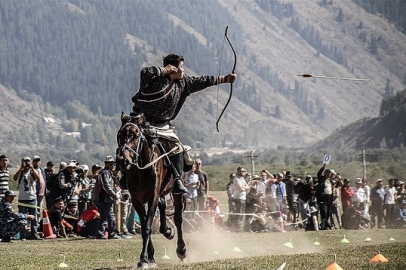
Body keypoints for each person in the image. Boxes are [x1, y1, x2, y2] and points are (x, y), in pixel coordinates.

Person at [130, 53, 236, 194]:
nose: (183, 70)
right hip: (142, 121)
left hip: (164, 124)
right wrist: (166, 70)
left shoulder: (184, 82)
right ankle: (125, 176)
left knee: (177, 148)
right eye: (181, 67)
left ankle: (178, 180)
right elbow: (145, 72)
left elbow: (203, 81)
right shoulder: (153, 79)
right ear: (172, 68)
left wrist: (225, 79)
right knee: (128, 142)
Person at [13, 156, 42, 240]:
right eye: (25, 161)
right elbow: (15, 178)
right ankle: (23, 235)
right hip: (22, 198)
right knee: (22, 218)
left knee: (34, 218)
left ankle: (34, 234)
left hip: (32, 198)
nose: (26, 163)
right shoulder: (21, 172)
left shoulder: (33, 172)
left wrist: (32, 168)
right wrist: (21, 168)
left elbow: (38, 178)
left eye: (28, 161)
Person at [92, 155, 120, 239]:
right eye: (110, 164)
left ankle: (99, 233)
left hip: (100, 199)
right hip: (103, 198)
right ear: (106, 164)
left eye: (113, 164)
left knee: (103, 217)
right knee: (111, 217)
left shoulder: (107, 173)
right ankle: (112, 233)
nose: (113, 166)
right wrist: (114, 195)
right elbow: (106, 185)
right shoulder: (105, 173)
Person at [232, 167, 250, 231]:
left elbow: (247, 186)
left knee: (242, 212)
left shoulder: (242, 179)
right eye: (240, 171)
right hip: (238, 198)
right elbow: (241, 188)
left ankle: (239, 226)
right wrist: (244, 187)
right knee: (239, 212)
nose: (241, 172)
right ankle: (237, 227)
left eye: (243, 171)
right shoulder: (236, 179)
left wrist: (244, 187)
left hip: (243, 197)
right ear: (237, 171)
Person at [32, 155, 46, 222]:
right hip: (35, 192)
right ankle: (35, 221)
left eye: (38, 161)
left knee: (39, 208)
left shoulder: (41, 170)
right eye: (35, 161)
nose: (37, 162)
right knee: (35, 208)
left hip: (41, 192)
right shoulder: (32, 170)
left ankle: (38, 221)